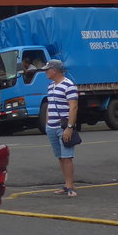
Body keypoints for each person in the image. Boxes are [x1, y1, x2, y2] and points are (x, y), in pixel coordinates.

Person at [42, 59, 79, 196]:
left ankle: (70, 186)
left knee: (67, 157)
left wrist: (69, 127)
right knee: (60, 157)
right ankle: (66, 184)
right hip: (51, 127)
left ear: (54, 70)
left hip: (63, 127)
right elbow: (49, 105)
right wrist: (47, 123)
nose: (46, 72)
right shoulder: (50, 86)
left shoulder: (69, 85)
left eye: (47, 69)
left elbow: (73, 107)